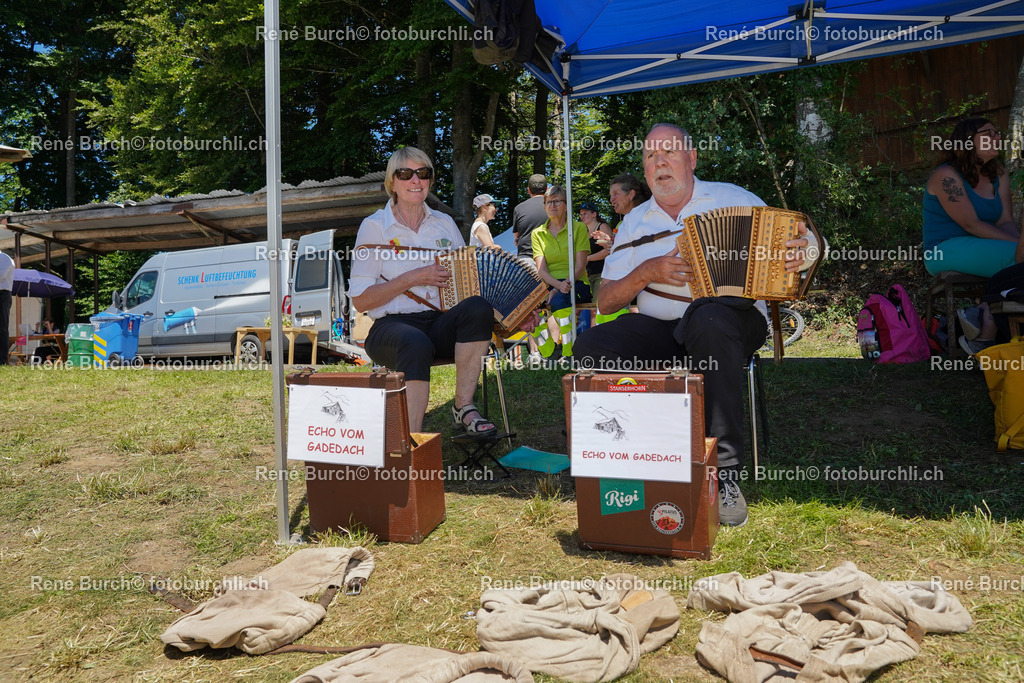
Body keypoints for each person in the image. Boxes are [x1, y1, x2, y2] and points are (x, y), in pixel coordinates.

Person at [574, 123, 816, 527]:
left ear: (692, 158)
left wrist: (802, 252)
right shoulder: (634, 223)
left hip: (734, 321)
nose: (660, 162)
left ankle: (723, 476)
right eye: (651, 156)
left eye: (669, 152)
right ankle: (631, 461)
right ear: (645, 171)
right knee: (592, 346)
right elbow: (606, 299)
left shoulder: (734, 199)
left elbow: (802, 240)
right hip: (661, 327)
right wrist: (646, 271)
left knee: (708, 318)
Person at [348, 147, 497, 435]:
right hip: (391, 328)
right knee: (415, 342)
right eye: (406, 174)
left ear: (430, 179)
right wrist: (412, 277)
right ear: (393, 182)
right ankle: (412, 444)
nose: (415, 181)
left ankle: (463, 407)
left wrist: (509, 314)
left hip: (439, 323)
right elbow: (361, 299)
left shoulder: (444, 223)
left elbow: (467, 281)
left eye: (423, 173)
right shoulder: (374, 227)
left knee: (478, 308)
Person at [923, 117, 1024, 353]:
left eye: (997, 132)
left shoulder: (998, 173)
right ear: (967, 142)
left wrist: (1019, 243)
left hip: (982, 245)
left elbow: (1005, 221)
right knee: (1018, 257)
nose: (997, 137)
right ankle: (987, 328)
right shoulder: (946, 176)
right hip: (943, 249)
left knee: (1019, 257)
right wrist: (1020, 246)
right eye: (988, 133)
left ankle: (982, 316)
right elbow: (972, 224)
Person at [532, 186, 592, 358]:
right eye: (548, 202)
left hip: (577, 282)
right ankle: (548, 350)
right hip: (551, 284)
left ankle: (569, 352)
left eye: (557, 201)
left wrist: (560, 287)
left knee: (559, 300)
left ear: (566, 205)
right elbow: (541, 269)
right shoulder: (538, 233)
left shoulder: (579, 228)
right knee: (525, 305)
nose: (552, 205)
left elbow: (580, 266)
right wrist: (556, 285)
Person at [512, 174, 548, 265]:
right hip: (549, 259)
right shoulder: (554, 208)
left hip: (527, 260)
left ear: (528, 190)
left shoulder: (519, 208)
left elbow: (516, 238)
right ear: (547, 189)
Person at [579, 202, 612, 301]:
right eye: (581, 214)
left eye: (585, 213)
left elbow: (609, 251)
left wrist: (587, 258)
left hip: (603, 273)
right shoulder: (583, 232)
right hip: (589, 274)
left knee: (596, 305)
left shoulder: (602, 227)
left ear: (594, 214)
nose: (582, 217)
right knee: (588, 306)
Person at [0, 250, 13, 366]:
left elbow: (1, 274)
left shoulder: (4, 258)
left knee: (1, 328)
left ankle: (2, 360)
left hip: (2, 295)